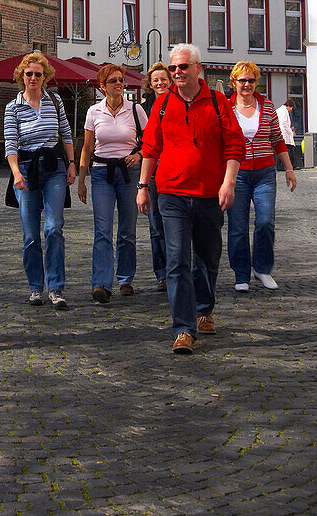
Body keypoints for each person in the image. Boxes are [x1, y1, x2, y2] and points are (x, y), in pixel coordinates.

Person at [137, 44, 245, 354]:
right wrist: (143, 186)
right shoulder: (162, 104)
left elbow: (235, 145)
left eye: (183, 67)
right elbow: (151, 148)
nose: (177, 73)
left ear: (198, 68)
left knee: (208, 257)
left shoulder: (217, 101)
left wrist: (229, 183)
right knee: (177, 261)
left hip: (210, 194)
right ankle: (184, 329)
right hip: (171, 193)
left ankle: (205, 309)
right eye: (173, 68)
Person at [5, 51, 75, 310]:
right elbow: (11, 143)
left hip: (54, 166)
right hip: (26, 168)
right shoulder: (13, 107)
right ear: (21, 76)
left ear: (45, 77)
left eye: (38, 74)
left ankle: (56, 287)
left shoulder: (54, 101)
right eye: (29, 73)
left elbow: (66, 134)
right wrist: (16, 172)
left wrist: (71, 164)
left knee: (54, 227)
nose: (33, 77)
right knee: (31, 235)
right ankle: (36, 287)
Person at [78, 64, 147, 302]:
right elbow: (87, 148)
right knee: (103, 230)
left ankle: (125, 278)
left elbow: (149, 144)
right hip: (101, 173)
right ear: (102, 86)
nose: (119, 84)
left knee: (127, 230)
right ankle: (101, 284)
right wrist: (81, 180)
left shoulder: (136, 110)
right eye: (113, 81)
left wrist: (138, 155)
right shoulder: (93, 112)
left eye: (121, 80)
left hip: (129, 173)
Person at [228, 64, 297, 292]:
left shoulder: (266, 107)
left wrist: (289, 168)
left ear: (257, 83)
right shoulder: (226, 108)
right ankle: (241, 274)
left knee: (265, 222)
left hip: (265, 173)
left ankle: (262, 268)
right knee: (238, 227)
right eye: (242, 81)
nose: (246, 85)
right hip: (236, 174)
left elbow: (277, 139)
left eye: (251, 80)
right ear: (234, 83)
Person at [140, 61, 172, 291]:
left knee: (178, 222)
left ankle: (178, 269)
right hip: (152, 169)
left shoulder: (179, 102)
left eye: (163, 79)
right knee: (156, 224)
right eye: (156, 80)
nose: (160, 83)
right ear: (150, 85)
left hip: (174, 168)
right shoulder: (143, 108)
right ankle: (162, 273)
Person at [276, 98, 301, 170]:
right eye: (291, 108)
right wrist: (290, 132)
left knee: (281, 151)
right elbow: (284, 123)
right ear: (289, 106)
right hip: (284, 134)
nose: (291, 110)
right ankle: (290, 166)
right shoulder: (284, 111)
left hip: (280, 133)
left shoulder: (278, 110)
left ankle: (281, 166)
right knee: (288, 151)